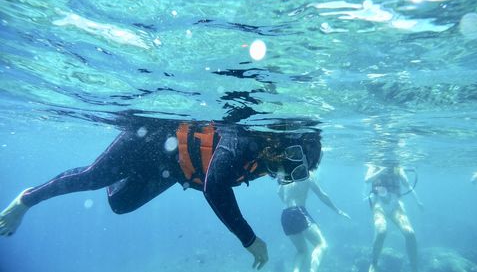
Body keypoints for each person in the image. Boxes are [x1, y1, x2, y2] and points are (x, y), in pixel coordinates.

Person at [0, 117, 323, 270]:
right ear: (282, 145)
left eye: (297, 174)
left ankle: (123, 172)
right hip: (152, 139)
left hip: (172, 170)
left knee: (119, 204)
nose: (286, 176)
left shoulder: (262, 162)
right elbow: (214, 187)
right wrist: (249, 239)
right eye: (293, 165)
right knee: (93, 177)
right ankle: (26, 199)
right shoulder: (246, 141)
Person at [277, 171, 350, 272]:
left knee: (301, 251)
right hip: (298, 212)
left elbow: (279, 193)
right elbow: (322, 195)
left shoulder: (287, 174)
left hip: (285, 215)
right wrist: (337, 210)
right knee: (322, 245)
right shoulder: (306, 173)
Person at [364, 162, 423, 272]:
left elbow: (408, 185)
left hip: (396, 204)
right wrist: (381, 170)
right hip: (379, 204)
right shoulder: (374, 164)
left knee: (410, 233)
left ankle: (414, 266)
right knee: (381, 231)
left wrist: (418, 201)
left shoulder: (398, 167)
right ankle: (374, 263)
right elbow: (367, 179)